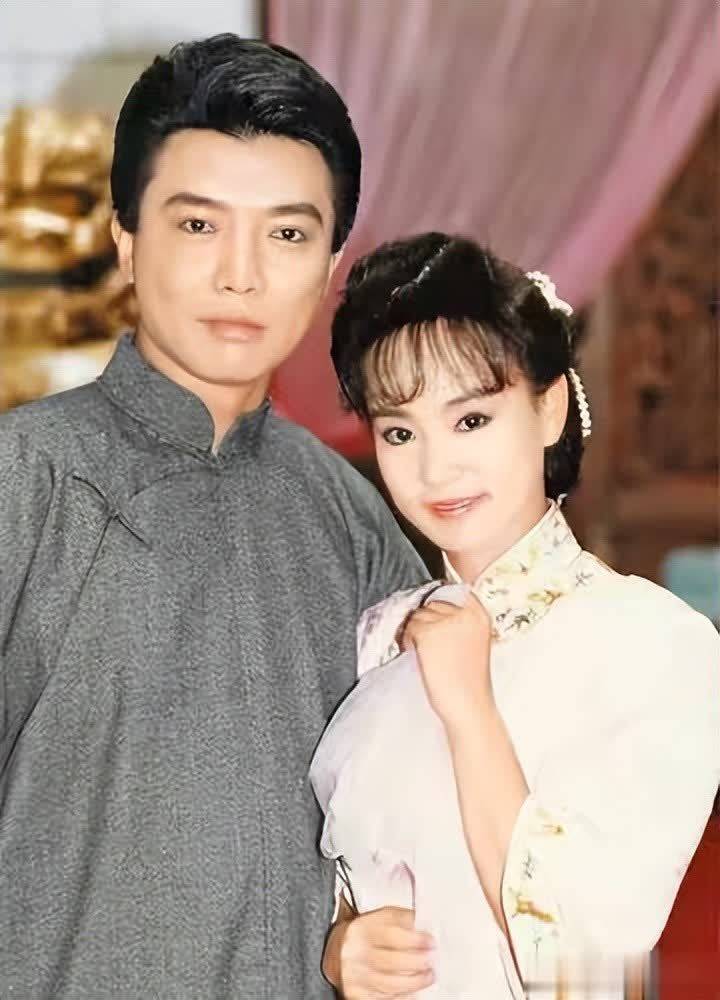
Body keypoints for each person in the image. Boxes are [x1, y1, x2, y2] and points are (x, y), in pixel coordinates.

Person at [0, 36, 427, 999]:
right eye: (198, 225)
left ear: (331, 263)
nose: (242, 275)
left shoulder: (353, 519)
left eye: (287, 235)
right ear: (125, 237)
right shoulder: (23, 481)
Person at [311, 233, 720, 999]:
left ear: (549, 407)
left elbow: (583, 959)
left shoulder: (655, 642)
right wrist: (341, 945)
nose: (436, 467)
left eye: (470, 420)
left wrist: (472, 712)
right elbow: (345, 877)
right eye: (400, 431)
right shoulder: (383, 637)